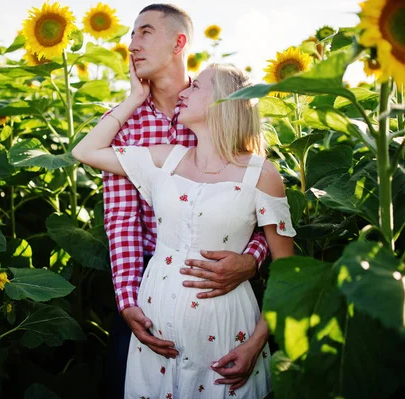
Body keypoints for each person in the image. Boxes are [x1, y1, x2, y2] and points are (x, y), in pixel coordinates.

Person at [73, 55, 296, 397]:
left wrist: (255, 343)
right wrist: (134, 98)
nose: (185, 90)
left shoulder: (262, 174)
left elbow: (287, 272)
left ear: (225, 100)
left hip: (227, 329)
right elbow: (86, 150)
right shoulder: (166, 158)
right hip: (155, 326)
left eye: (196, 85)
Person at [100, 5, 270, 397]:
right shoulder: (124, 124)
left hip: (217, 284)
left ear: (179, 43)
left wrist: (251, 260)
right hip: (148, 282)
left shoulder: (219, 102)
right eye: (131, 35)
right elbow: (122, 220)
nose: (131, 44)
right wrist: (128, 301)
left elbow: (259, 204)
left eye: (144, 32)